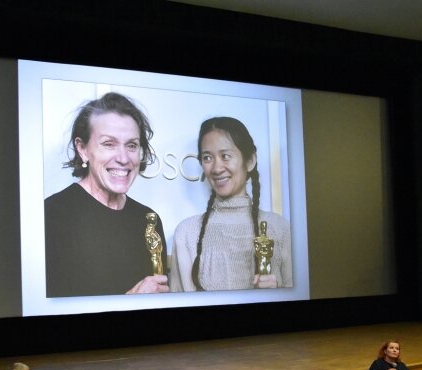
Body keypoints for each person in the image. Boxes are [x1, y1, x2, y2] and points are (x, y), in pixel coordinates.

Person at [44, 92, 169, 297]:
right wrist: (129, 301)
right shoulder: (51, 215)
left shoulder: (149, 220)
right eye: (109, 144)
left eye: (131, 145)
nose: (123, 158)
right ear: (83, 149)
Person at [170, 116, 292, 291]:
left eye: (225, 156)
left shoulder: (279, 228)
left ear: (250, 161)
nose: (217, 168)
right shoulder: (186, 233)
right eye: (207, 158)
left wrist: (279, 293)